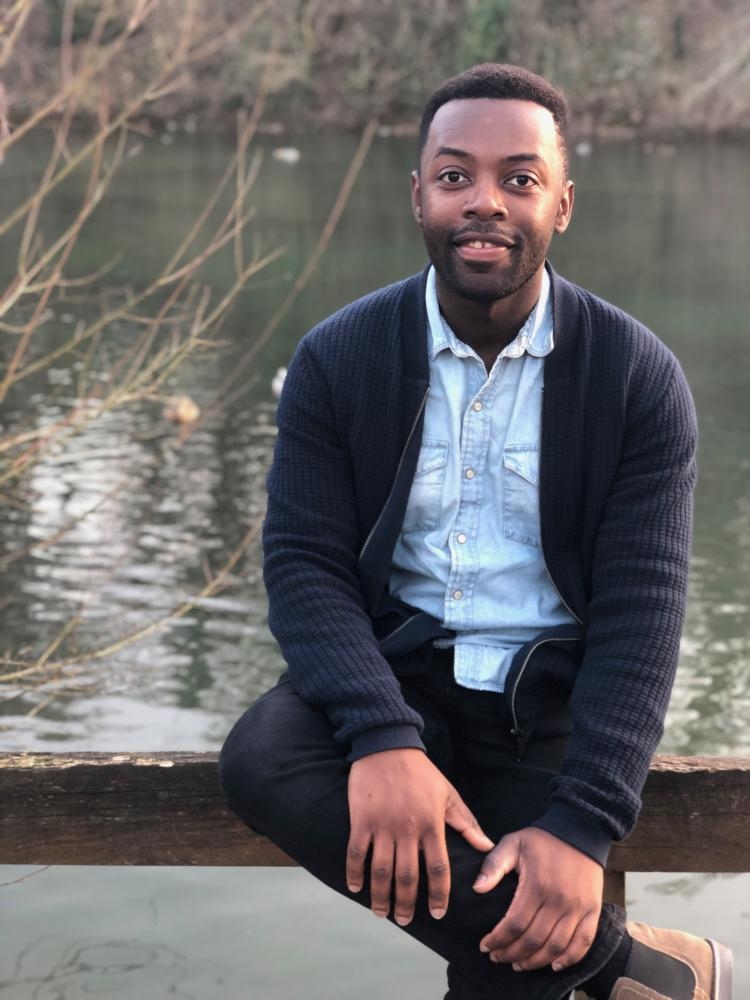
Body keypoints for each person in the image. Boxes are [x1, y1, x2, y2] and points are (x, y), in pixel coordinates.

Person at [219, 64, 733, 1000]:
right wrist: (383, 738)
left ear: (562, 204)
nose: (485, 202)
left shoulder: (636, 378)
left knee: (506, 978)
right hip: (401, 676)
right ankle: (628, 967)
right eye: (455, 175)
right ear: (418, 193)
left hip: (546, 705)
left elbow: (642, 617)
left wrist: (581, 828)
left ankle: (596, 956)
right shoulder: (338, 358)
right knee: (263, 758)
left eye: (519, 178)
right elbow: (304, 565)